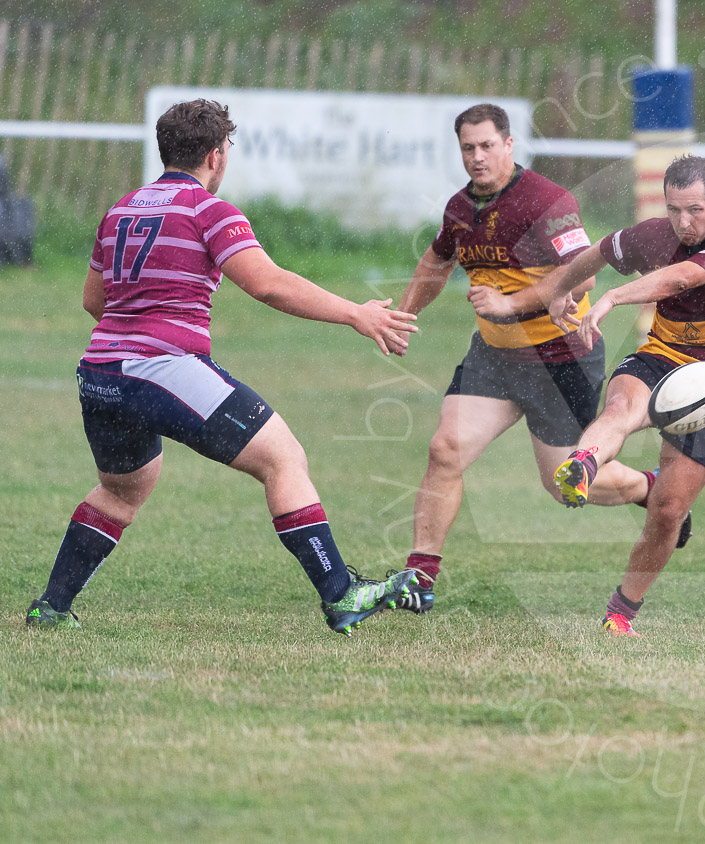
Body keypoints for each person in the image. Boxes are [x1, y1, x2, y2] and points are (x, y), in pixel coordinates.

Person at [24, 99, 419, 635]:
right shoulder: (208, 209)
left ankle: (52, 606)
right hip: (159, 368)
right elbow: (268, 283)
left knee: (122, 489)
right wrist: (356, 313)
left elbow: (95, 300)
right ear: (216, 155)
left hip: (99, 374)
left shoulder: (121, 209)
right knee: (284, 458)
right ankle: (341, 593)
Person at [391, 104, 648, 614]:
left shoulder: (547, 201)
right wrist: (402, 315)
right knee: (445, 449)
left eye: (487, 145)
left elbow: (585, 275)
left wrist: (510, 304)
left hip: (560, 361)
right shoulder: (460, 209)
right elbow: (437, 262)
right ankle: (419, 578)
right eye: (468, 148)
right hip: (494, 357)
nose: (478, 157)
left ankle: (649, 488)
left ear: (509, 144)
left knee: (563, 485)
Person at [544, 155, 705, 637]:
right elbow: (602, 251)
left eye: (694, 210)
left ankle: (621, 611)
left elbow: (683, 277)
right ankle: (583, 464)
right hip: (664, 353)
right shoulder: (656, 234)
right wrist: (562, 289)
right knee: (621, 407)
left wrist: (611, 298)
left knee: (669, 509)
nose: (683, 223)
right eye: (673, 210)